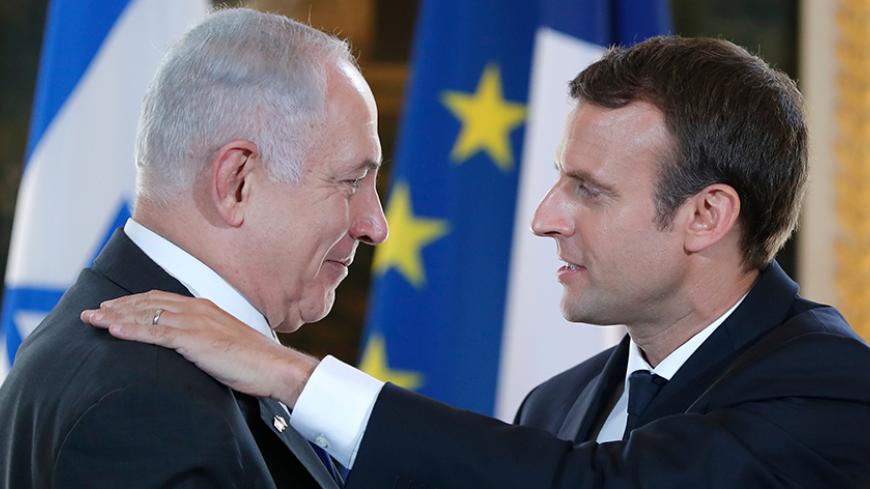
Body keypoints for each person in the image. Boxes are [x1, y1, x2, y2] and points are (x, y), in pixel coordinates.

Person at [82, 36, 870, 488]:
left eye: (589, 190)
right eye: (559, 179)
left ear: (706, 216)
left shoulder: (834, 392)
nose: (544, 217)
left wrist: (292, 375)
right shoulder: (554, 407)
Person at [0, 8, 387, 489]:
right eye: (351, 181)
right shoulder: (145, 404)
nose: (375, 226)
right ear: (236, 182)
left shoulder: (147, 364)